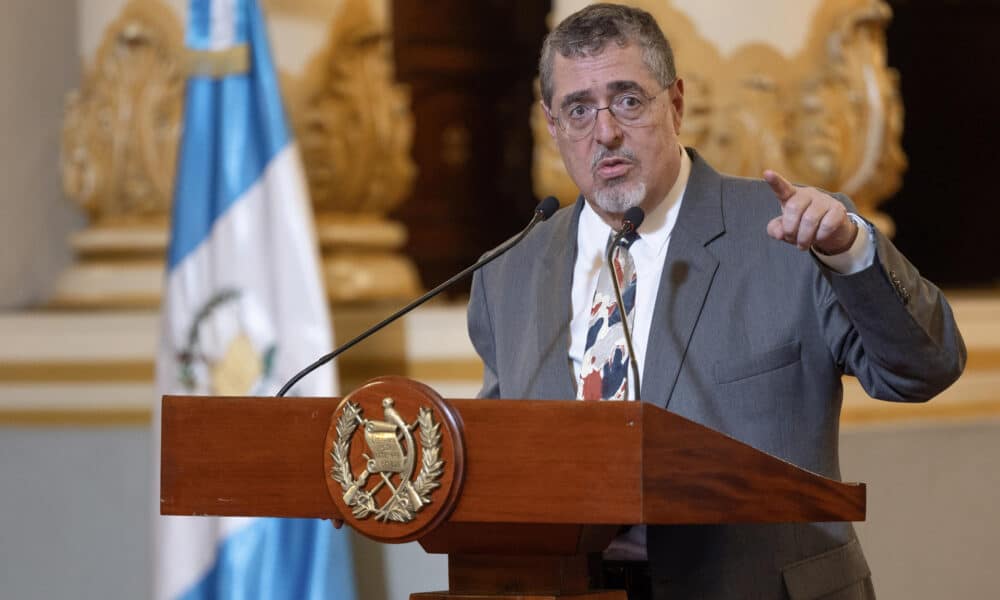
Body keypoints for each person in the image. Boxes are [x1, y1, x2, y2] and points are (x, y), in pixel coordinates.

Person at [466, 3, 966, 599]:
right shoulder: (506, 273)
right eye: (578, 110)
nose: (605, 132)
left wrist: (853, 254)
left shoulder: (793, 232)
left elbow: (924, 370)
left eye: (628, 100)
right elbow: (502, 463)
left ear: (675, 103)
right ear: (552, 125)